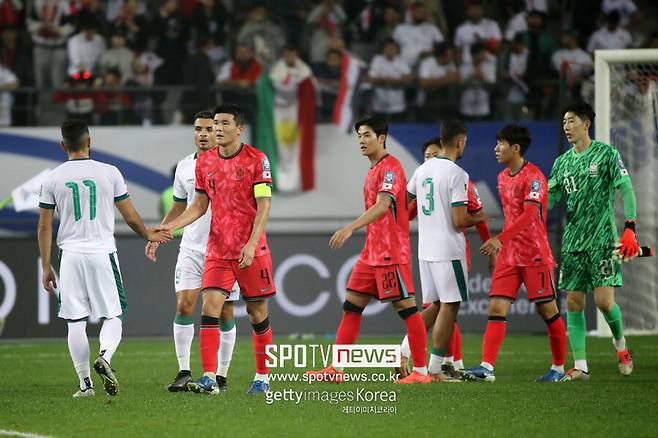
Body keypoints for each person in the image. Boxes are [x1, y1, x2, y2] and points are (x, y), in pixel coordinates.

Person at [37, 119, 170, 398]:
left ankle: (85, 385)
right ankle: (105, 357)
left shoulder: (52, 177)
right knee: (113, 314)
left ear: (63, 145)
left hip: (70, 255)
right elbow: (130, 215)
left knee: (75, 321)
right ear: (90, 142)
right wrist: (147, 234)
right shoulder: (109, 172)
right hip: (101, 252)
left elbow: (44, 226)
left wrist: (46, 266)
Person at [159, 104, 275, 395]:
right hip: (218, 250)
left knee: (256, 312)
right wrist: (169, 228)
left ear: (240, 128)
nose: (218, 128)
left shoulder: (256, 160)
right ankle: (209, 376)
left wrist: (251, 243)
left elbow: (264, 205)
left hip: (250, 251)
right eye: (216, 123)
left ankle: (263, 376)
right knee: (210, 308)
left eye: (224, 123)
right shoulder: (205, 163)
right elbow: (198, 205)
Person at [305, 116, 430, 384]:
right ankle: (336, 370)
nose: (361, 140)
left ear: (382, 137)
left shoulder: (390, 168)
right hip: (371, 253)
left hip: (390, 253)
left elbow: (384, 205)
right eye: (359, 135)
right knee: (351, 306)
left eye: (367, 135)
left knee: (407, 309)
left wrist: (350, 228)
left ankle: (420, 372)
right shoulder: (373, 169)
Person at [461, 124, 567, 382]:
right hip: (510, 255)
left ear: (516, 148)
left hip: (535, 255)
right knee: (496, 307)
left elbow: (530, 216)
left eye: (501, 144)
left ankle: (559, 368)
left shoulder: (533, 177)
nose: (496, 149)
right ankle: (486, 367)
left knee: (548, 311)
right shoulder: (501, 177)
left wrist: (500, 239)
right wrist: (502, 245)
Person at [146, 111, 240, 392]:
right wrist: (161, 232)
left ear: (219, 131)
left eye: (209, 129)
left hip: (223, 250)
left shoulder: (233, 164)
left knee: (223, 313)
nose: (203, 134)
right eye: (198, 128)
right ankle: (184, 371)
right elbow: (178, 205)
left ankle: (221, 375)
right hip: (191, 247)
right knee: (184, 305)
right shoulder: (185, 167)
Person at [548, 102, 637, 381]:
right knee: (573, 303)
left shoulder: (607, 154)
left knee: (603, 302)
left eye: (571, 120)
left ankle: (621, 345)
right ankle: (581, 366)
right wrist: (534, 204)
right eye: (564, 121)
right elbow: (550, 198)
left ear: (586, 123)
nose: (566, 126)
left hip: (602, 240)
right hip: (573, 241)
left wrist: (630, 228)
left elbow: (627, 189)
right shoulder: (561, 162)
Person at [399, 133, 494, 378]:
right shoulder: (458, 174)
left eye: (432, 153)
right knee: (449, 307)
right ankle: (438, 366)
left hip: (427, 249)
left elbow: (402, 205)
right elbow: (464, 218)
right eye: (427, 155)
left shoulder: (422, 172)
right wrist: (481, 220)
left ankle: (409, 353)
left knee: (437, 307)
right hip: (449, 250)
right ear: (459, 142)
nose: (429, 157)